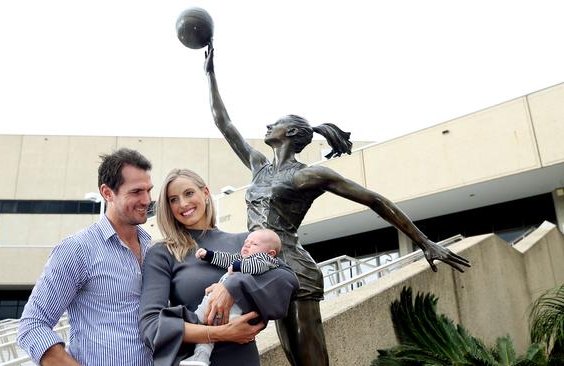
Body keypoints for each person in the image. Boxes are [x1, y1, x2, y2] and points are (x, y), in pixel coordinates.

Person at [203, 45, 471, 366]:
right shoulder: (259, 164)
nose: (266, 126)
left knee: (311, 360)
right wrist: (210, 74)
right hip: (260, 268)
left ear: (289, 133)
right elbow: (224, 123)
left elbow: (375, 200)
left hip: (292, 270)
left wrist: (424, 242)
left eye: (274, 123)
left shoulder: (308, 175)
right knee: (292, 356)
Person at [139, 168, 299, 366]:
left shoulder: (246, 243)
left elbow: (289, 279)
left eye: (189, 193)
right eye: (173, 199)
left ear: (205, 193)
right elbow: (151, 326)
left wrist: (231, 288)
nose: (183, 204)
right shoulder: (163, 252)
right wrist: (220, 333)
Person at [17, 148, 154, 366]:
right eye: (136, 192)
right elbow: (32, 326)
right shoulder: (77, 249)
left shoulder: (153, 249)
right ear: (107, 193)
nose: (147, 200)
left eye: (149, 190)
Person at [181, 229, 282, 366]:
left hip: (233, 310)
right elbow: (226, 259)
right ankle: (200, 358)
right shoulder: (241, 260)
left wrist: (236, 266)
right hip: (219, 306)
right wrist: (209, 255)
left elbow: (256, 266)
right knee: (205, 332)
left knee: (203, 326)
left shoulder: (266, 260)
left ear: (270, 253)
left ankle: (196, 350)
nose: (247, 245)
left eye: (254, 244)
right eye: (246, 242)